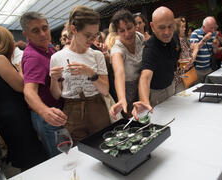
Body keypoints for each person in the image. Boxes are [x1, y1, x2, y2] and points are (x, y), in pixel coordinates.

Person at [50, 5, 111, 142]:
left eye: (95, 35)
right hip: (72, 110)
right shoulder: (57, 58)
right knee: (79, 151)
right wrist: (54, 80)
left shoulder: (97, 55)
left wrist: (90, 72)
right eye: (87, 35)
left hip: (97, 107)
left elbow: (105, 90)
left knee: (103, 143)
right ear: (73, 29)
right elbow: (56, 94)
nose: (92, 40)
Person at [0, 25, 47, 170]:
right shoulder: (0, 59)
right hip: (16, 117)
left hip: (5, 118)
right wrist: (20, 71)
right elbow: (20, 86)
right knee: (32, 156)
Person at [20, 11, 67, 157]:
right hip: (47, 116)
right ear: (26, 34)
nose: (42, 34)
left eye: (45, 28)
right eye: (35, 31)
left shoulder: (48, 47)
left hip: (56, 111)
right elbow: (29, 91)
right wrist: (44, 111)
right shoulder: (33, 56)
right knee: (59, 157)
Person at [132, 6, 180, 119]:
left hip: (171, 85)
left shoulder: (175, 36)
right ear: (152, 27)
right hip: (156, 92)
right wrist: (144, 101)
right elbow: (145, 77)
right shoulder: (150, 48)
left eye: (170, 26)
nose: (167, 32)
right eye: (162, 28)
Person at [109, 9, 145, 119]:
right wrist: (121, 99)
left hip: (143, 83)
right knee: (133, 119)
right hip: (127, 90)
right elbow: (119, 73)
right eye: (122, 31)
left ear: (135, 25)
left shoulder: (140, 37)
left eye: (129, 28)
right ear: (117, 32)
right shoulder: (117, 50)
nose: (127, 33)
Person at [174, 17, 200, 92]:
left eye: (184, 27)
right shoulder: (180, 41)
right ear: (176, 28)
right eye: (182, 27)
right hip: (182, 80)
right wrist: (196, 49)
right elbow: (189, 61)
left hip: (180, 79)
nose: (184, 29)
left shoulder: (180, 40)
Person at [190, 16, 218, 83]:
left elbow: (214, 51)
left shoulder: (213, 34)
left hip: (209, 68)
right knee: (198, 90)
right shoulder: (195, 34)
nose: (213, 30)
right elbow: (194, 50)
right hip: (197, 70)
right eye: (211, 28)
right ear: (204, 27)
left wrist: (215, 47)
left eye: (214, 28)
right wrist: (204, 39)